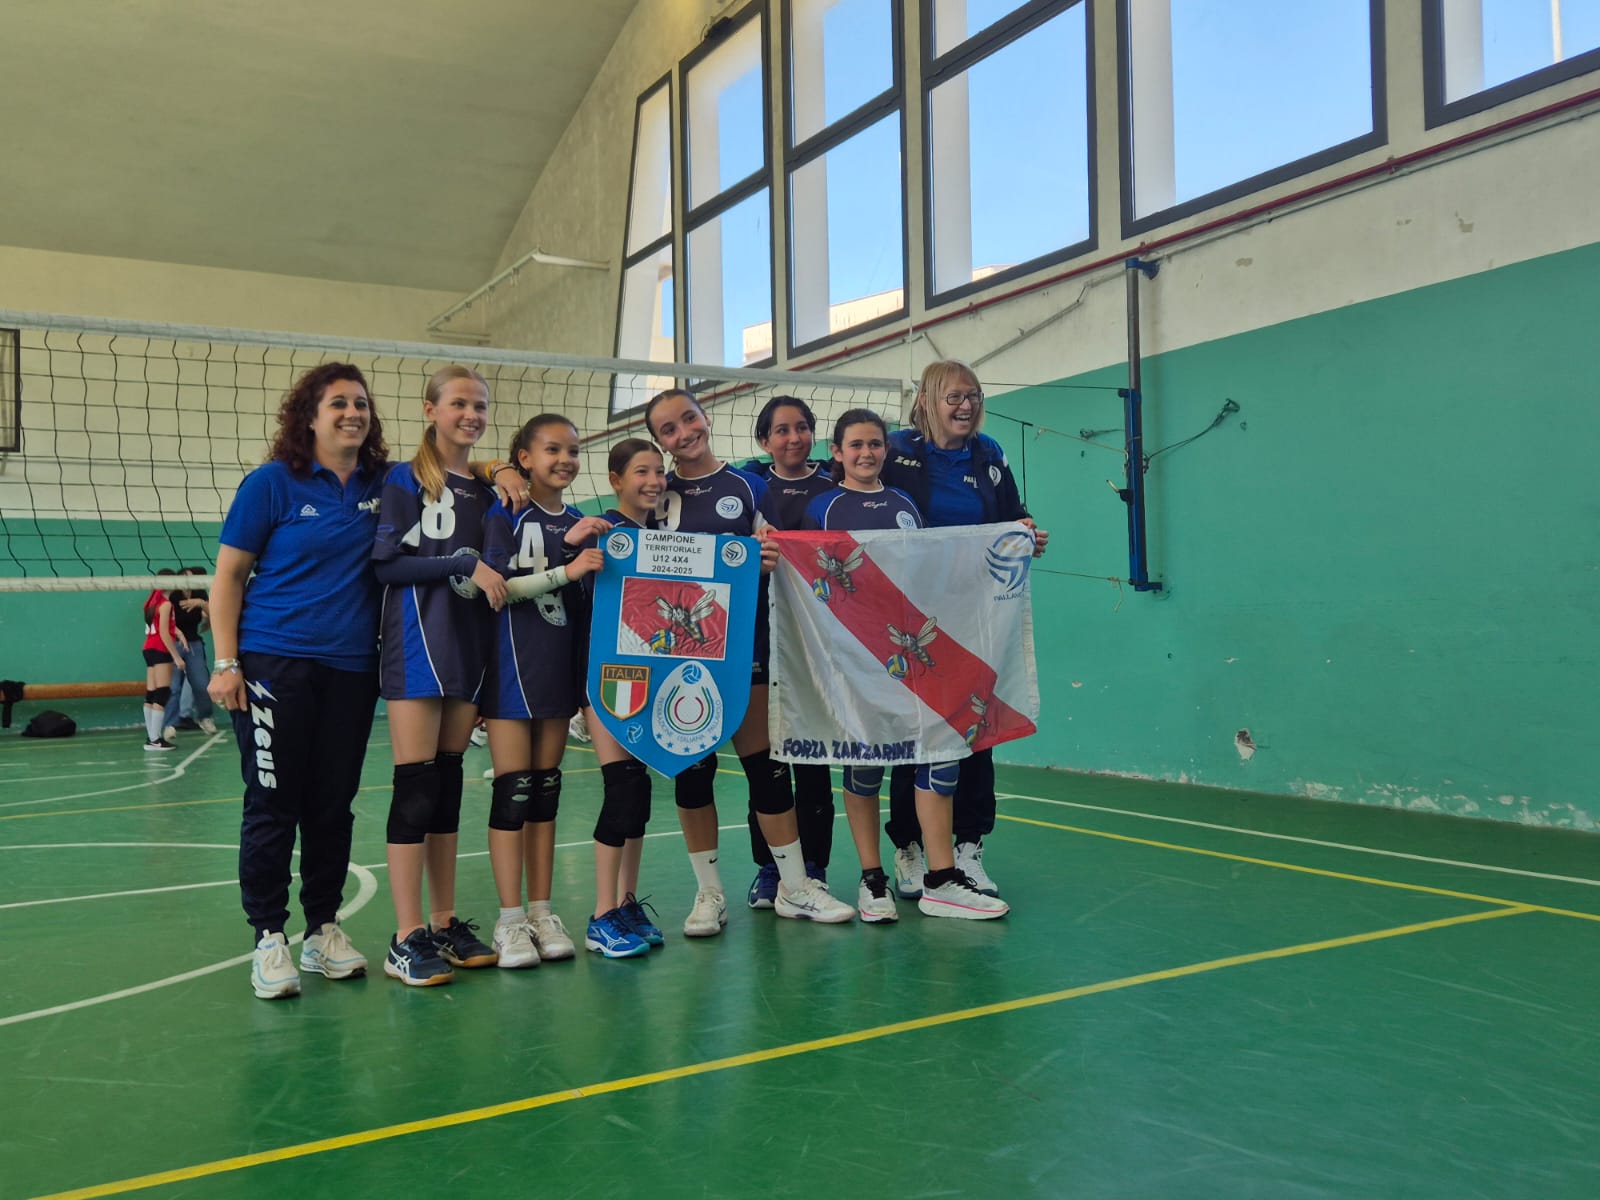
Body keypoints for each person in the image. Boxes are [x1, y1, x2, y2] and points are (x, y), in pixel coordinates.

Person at [207, 363, 389, 1001]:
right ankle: (268, 937)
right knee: (273, 801)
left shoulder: (384, 482)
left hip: (351, 667)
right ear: (309, 416)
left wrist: (499, 469)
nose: (352, 413)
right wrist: (226, 663)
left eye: (360, 403)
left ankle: (322, 929)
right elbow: (229, 578)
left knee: (332, 805)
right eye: (337, 403)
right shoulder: (272, 483)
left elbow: (448, 471)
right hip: (274, 662)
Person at [644, 388, 855, 933]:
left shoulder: (747, 486)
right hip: (680, 655)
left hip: (746, 645)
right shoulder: (655, 494)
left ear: (705, 418)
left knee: (766, 768)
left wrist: (768, 557)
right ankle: (708, 894)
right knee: (694, 773)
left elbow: (779, 553)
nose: (684, 432)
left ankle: (794, 886)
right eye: (668, 429)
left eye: (689, 418)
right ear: (660, 441)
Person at [803, 409, 1008, 920]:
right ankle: (872, 881)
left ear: (886, 450)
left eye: (875, 444)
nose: (867, 453)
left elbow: (929, 569)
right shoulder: (823, 508)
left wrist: (1012, 539)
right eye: (856, 445)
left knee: (939, 752)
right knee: (866, 766)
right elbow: (808, 583)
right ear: (837, 452)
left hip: (909, 658)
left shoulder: (904, 504)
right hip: (854, 661)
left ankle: (942, 879)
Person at [878, 360, 1049, 903]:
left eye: (973, 395)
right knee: (917, 731)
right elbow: (849, 489)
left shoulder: (988, 454)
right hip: (913, 618)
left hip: (977, 615)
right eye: (954, 396)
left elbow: (1013, 516)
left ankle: (970, 846)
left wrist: (1027, 534)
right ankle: (909, 846)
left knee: (976, 727)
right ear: (927, 400)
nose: (966, 405)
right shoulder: (895, 451)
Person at [370, 365, 510, 986]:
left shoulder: (486, 489)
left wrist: (499, 472)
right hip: (416, 641)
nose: (471, 415)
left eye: (479, 405)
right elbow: (385, 566)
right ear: (430, 410)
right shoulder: (404, 480)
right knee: (416, 787)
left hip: (468, 645)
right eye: (459, 404)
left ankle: (443, 920)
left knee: (448, 785)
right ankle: (405, 936)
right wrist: (461, 564)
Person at [479, 414, 609, 968]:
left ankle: (541, 911)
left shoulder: (582, 521)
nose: (565, 459)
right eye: (552, 449)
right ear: (524, 459)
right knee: (513, 791)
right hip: (511, 670)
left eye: (573, 450)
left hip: (557, 672)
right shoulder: (505, 512)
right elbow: (496, 588)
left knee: (545, 792)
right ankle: (509, 920)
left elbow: (586, 606)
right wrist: (567, 564)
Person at [738, 396, 839, 909]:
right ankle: (770, 868)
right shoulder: (750, 485)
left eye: (802, 428)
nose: (793, 438)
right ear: (764, 441)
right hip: (760, 635)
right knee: (765, 761)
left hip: (816, 638)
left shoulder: (834, 485)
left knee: (812, 758)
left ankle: (813, 866)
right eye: (781, 430)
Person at [580, 438, 671, 959]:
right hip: (608, 680)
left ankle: (626, 902)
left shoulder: (661, 538)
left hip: (650, 679)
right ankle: (601, 916)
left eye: (659, 471)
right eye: (641, 471)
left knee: (638, 791)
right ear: (616, 480)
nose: (654, 481)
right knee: (621, 788)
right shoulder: (600, 530)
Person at [161, 567, 218, 739]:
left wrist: (201, 603)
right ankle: (169, 725)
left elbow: (215, 614)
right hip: (174, 643)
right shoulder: (173, 595)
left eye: (192, 577)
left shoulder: (199, 592)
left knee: (202, 684)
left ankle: (205, 718)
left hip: (194, 644)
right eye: (187, 577)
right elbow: (164, 620)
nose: (191, 580)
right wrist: (177, 633)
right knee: (173, 688)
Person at [140, 568, 182, 751]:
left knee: (151, 693)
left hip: (148, 647)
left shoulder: (151, 602)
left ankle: (151, 738)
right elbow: (164, 633)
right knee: (162, 693)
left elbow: (161, 626)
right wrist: (177, 657)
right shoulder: (166, 604)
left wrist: (179, 633)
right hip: (160, 648)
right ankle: (155, 739)